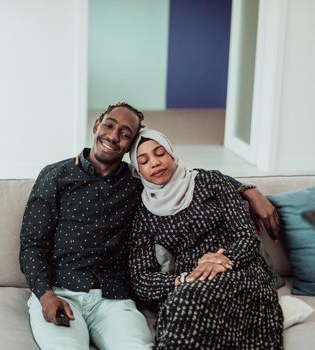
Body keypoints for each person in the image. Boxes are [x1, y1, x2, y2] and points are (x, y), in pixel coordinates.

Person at [19, 102, 280, 350]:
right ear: (97, 125)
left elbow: (187, 177)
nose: (112, 136)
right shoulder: (56, 176)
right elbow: (32, 245)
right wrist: (45, 295)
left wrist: (247, 190)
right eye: (109, 125)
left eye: (124, 134)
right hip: (61, 290)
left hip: (113, 298)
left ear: (128, 146)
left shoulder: (137, 185)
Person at [128, 129, 283, 349]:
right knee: (183, 301)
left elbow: (246, 236)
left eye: (160, 153)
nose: (154, 163)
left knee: (185, 303)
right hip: (189, 283)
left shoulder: (211, 182)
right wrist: (183, 280)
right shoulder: (144, 214)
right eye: (144, 161)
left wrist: (221, 261)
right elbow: (141, 278)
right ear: (138, 170)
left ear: (172, 154)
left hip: (240, 270)